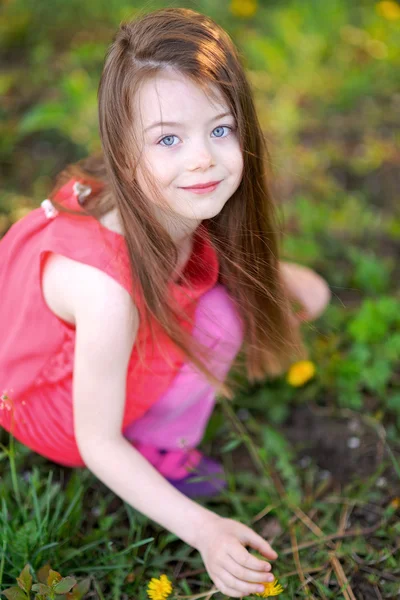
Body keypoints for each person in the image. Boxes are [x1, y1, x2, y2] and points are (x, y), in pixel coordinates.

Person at [0, 8, 331, 597]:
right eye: (169, 138)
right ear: (124, 152)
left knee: (276, 294)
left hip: (108, 340)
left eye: (220, 129)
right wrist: (202, 529)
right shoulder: (106, 291)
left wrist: (274, 276)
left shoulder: (164, 192)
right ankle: (162, 450)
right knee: (223, 318)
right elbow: (96, 442)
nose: (201, 157)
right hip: (58, 410)